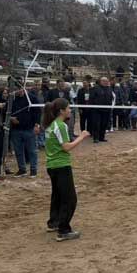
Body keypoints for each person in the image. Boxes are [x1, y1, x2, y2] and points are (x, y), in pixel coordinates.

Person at [43, 98, 88, 241]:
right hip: (61, 165)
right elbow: (66, 147)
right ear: (61, 111)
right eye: (68, 108)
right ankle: (64, 230)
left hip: (52, 165)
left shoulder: (51, 124)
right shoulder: (60, 125)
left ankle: (54, 222)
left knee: (57, 195)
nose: (70, 110)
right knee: (69, 199)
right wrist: (82, 137)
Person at [9, 82, 42, 178]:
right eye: (14, 90)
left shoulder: (32, 98)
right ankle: (22, 169)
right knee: (18, 151)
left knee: (32, 150)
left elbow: (38, 112)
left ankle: (33, 169)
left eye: (17, 89)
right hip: (16, 129)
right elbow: (7, 112)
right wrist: (11, 118)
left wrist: (37, 125)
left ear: (22, 88)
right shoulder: (12, 99)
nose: (16, 91)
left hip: (29, 129)